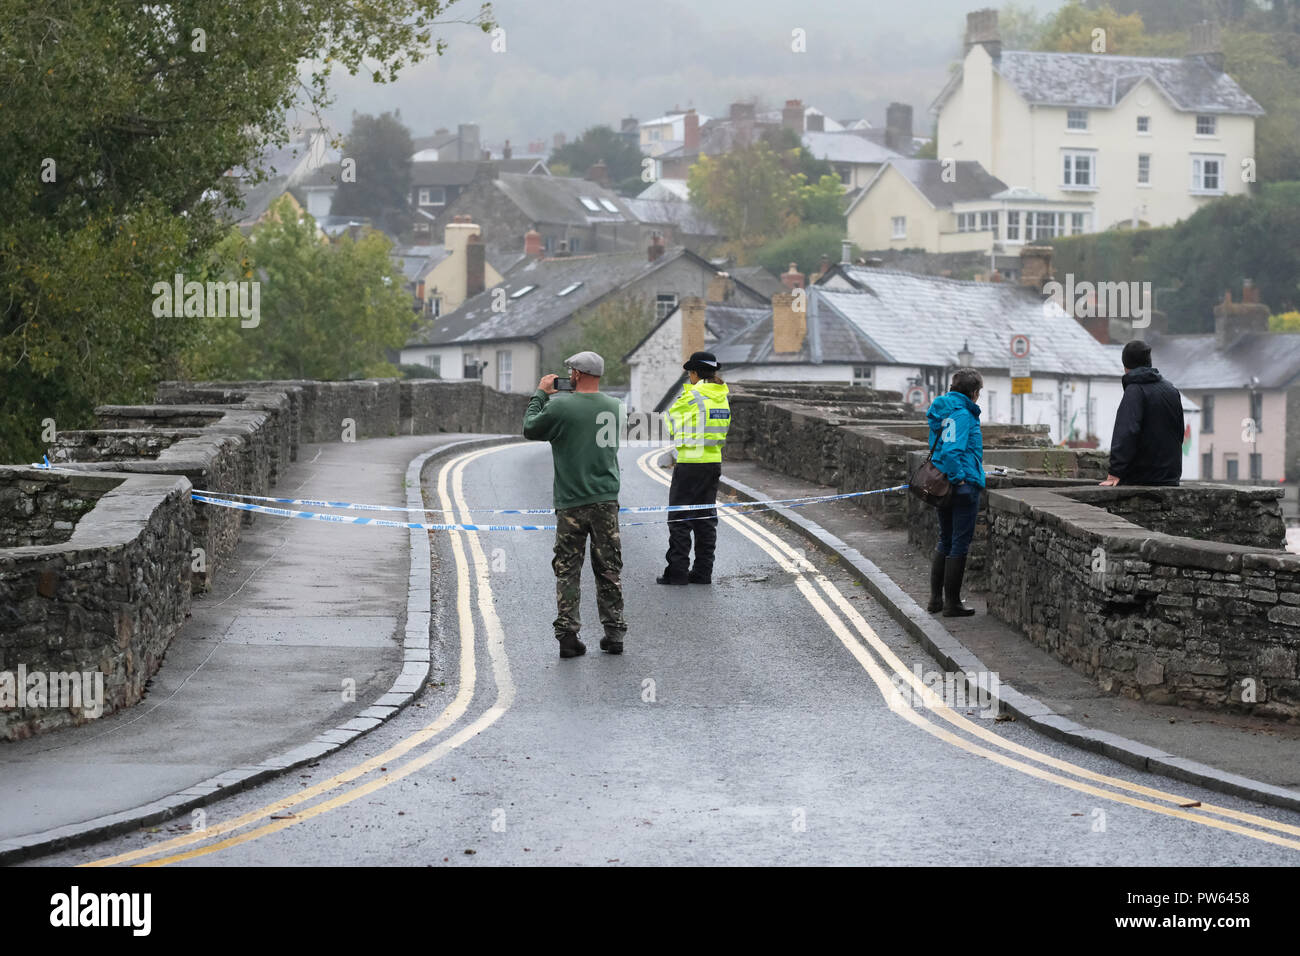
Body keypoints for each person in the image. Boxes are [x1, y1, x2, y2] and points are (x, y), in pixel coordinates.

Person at [522, 350, 628, 659]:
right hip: (606, 499)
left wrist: (540, 394)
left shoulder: (561, 407)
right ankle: (614, 634)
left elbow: (530, 427)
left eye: (571, 372)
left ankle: (568, 636)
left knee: (568, 567)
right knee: (609, 568)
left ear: (577, 376)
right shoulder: (616, 407)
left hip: (571, 500)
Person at [658, 351, 730, 585]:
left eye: (690, 373)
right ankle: (702, 572)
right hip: (712, 464)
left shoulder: (693, 395)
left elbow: (671, 422)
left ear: (695, 373)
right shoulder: (722, 396)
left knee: (680, 519)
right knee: (706, 519)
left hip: (689, 464)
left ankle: (677, 572)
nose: (689, 377)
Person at [925, 368, 986, 618]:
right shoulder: (963, 414)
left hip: (941, 483)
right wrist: (960, 479)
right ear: (973, 392)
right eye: (979, 392)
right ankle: (951, 603)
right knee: (958, 542)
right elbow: (952, 451)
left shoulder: (943, 408)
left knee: (945, 539)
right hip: (960, 485)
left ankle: (935, 600)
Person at [1101, 340, 1184, 488]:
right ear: (1149, 362)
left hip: (1143, 477)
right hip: (1171, 476)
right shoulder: (1171, 389)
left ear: (1125, 365)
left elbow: (1126, 432)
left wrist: (1115, 472)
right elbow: (1179, 432)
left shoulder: (1135, 391)